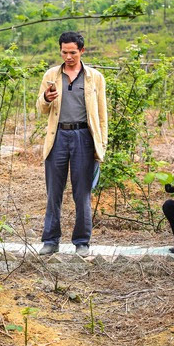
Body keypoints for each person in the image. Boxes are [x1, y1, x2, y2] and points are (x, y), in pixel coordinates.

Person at [36, 32, 107, 257]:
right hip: (57, 137)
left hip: (83, 137)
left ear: (82, 51)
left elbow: (102, 115)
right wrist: (46, 98)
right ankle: (50, 240)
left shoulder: (94, 77)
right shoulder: (51, 75)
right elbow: (40, 108)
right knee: (53, 191)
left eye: (73, 52)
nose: (68, 56)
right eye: (64, 52)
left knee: (82, 192)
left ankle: (82, 242)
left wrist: (101, 144)